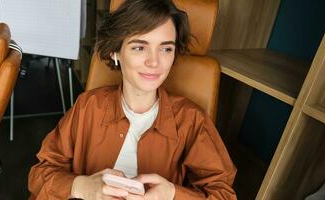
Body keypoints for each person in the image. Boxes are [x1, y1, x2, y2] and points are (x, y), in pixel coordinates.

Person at [28, 0, 237, 199]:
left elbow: (224, 194)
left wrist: (173, 194)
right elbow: (40, 174)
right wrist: (82, 187)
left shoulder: (192, 120)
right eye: (139, 47)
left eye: (166, 49)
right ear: (115, 52)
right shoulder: (88, 107)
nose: (154, 62)